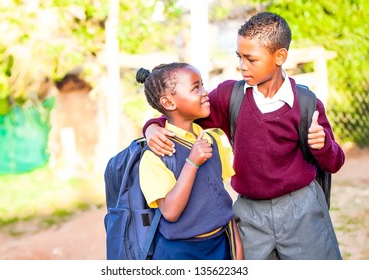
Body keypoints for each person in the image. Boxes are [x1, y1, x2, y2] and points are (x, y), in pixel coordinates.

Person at [142, 12, 345, 260]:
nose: (242, 65)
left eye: (251, 59)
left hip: (302, 210)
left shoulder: (306, 103)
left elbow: (334, 162)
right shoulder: (230, 96)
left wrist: (322, 145)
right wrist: (152, 126)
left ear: (279, 56)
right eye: (240, 57)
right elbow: (182, 114)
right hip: (250, 214)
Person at [136, 62, 243, 260]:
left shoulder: (213, 140)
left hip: (221, 244)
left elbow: (222, 200)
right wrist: (192, 163)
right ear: (168, 103)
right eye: (196, 87)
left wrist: (237, 252)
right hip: (180, 253)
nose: (205, 92)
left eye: (202, 84)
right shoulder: (154, 155)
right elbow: (170, 212)